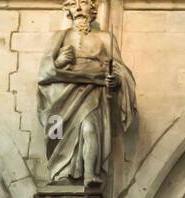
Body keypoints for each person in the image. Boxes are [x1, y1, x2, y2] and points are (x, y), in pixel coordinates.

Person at [38, 0, 137, 188]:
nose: (77, 8)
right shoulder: (60, 36)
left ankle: (90, 173)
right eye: (72, 4)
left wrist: (114, 80)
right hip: (63, 93)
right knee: (57, 132)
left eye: (82, 2)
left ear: (92, 10)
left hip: (92, 89)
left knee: (90, 129)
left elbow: (118, 68)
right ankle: (60, 173)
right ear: (67, 10)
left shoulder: (105, 38)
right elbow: (45, 70)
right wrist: (59, 62)